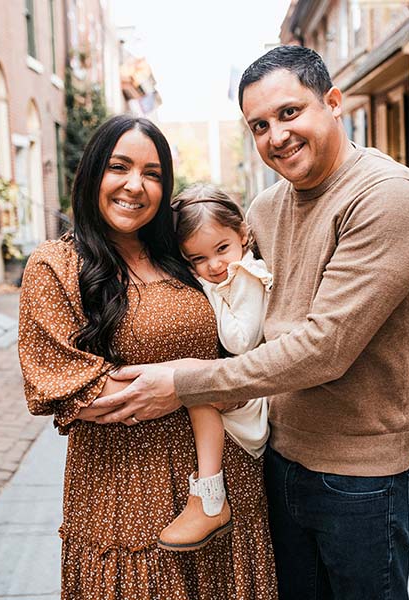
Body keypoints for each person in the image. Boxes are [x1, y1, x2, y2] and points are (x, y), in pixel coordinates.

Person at [92, 46, 409, 600]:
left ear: (332, 102)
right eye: (259, 125)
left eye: (289, 113)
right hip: (278, 459)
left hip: (361, 478)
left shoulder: (387, 199)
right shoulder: (263, 210)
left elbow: (325, 348)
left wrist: (185, 383)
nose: (276, 135)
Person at [17, 114, 277, 599]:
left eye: (152, 174)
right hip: (126, 491)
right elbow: (70, 387)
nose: (135, 185)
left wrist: (197, 380)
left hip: (227, 484)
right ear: (93, 172)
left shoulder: (184, 254)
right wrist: (193, 383)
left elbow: (245, 342)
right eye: (120, 167)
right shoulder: (56, 266)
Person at [158, 183, 272, 552]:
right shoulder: (227, 277)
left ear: (242, 235)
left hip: (252, 395)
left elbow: (240, 339)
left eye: (222, 248)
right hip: (241, 382)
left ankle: (209, 496)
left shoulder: (247, 277)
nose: (214, 265)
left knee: (196, 388)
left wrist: (206, 290)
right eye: (198, 260)